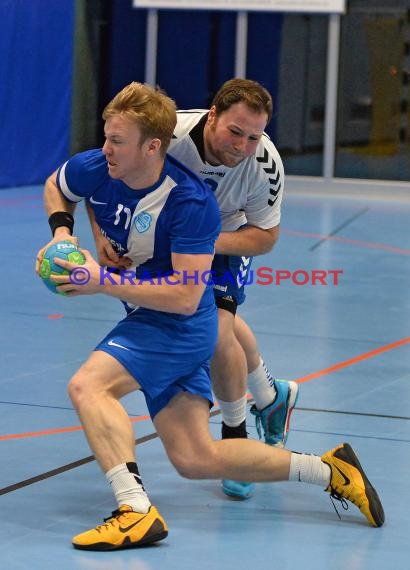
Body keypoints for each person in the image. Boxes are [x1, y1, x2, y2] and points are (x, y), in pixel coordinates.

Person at [35, 81, 384, 552]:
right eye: (107, 137)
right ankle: (329, 469)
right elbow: (60, 186)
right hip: (158, 310)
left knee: (88, 386)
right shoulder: (104, 163)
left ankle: (134, 509)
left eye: (117, 140)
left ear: (152, 147)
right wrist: (62, 235)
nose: (106, 148)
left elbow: (183, 297)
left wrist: (99, 280)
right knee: (194, 459)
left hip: (175, 323)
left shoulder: (192, 203)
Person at [88, 78, 298, 500]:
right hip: (168, 239)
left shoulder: (264, 166)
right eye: (234, 132)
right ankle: (272, 396)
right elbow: (100, 178)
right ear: (212, 115)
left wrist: (200, 242)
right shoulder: (169, 136)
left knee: (219, 329)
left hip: (226, 237)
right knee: (219, 326)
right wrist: (100, 236)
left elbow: (266, 237)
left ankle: (236, 434)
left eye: (253, 137)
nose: (242, 145)